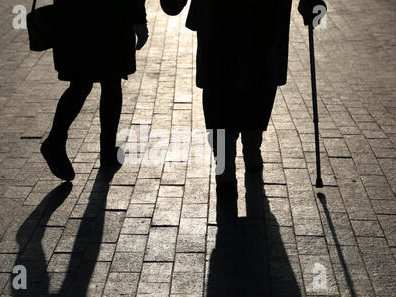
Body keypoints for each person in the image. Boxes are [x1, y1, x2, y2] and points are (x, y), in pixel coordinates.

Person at [160, 0, 327, 222]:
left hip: (219, 19)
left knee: (221, 88)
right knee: (257, 81)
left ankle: (229, 160)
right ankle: (250, 146)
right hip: (262, 18)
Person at [41, 1, 149, 181]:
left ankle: (56, 140)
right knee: (111, 81)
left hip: (75, 16)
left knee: (81, 82)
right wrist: (139, 20)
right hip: (113, 16)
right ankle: (106, 151)